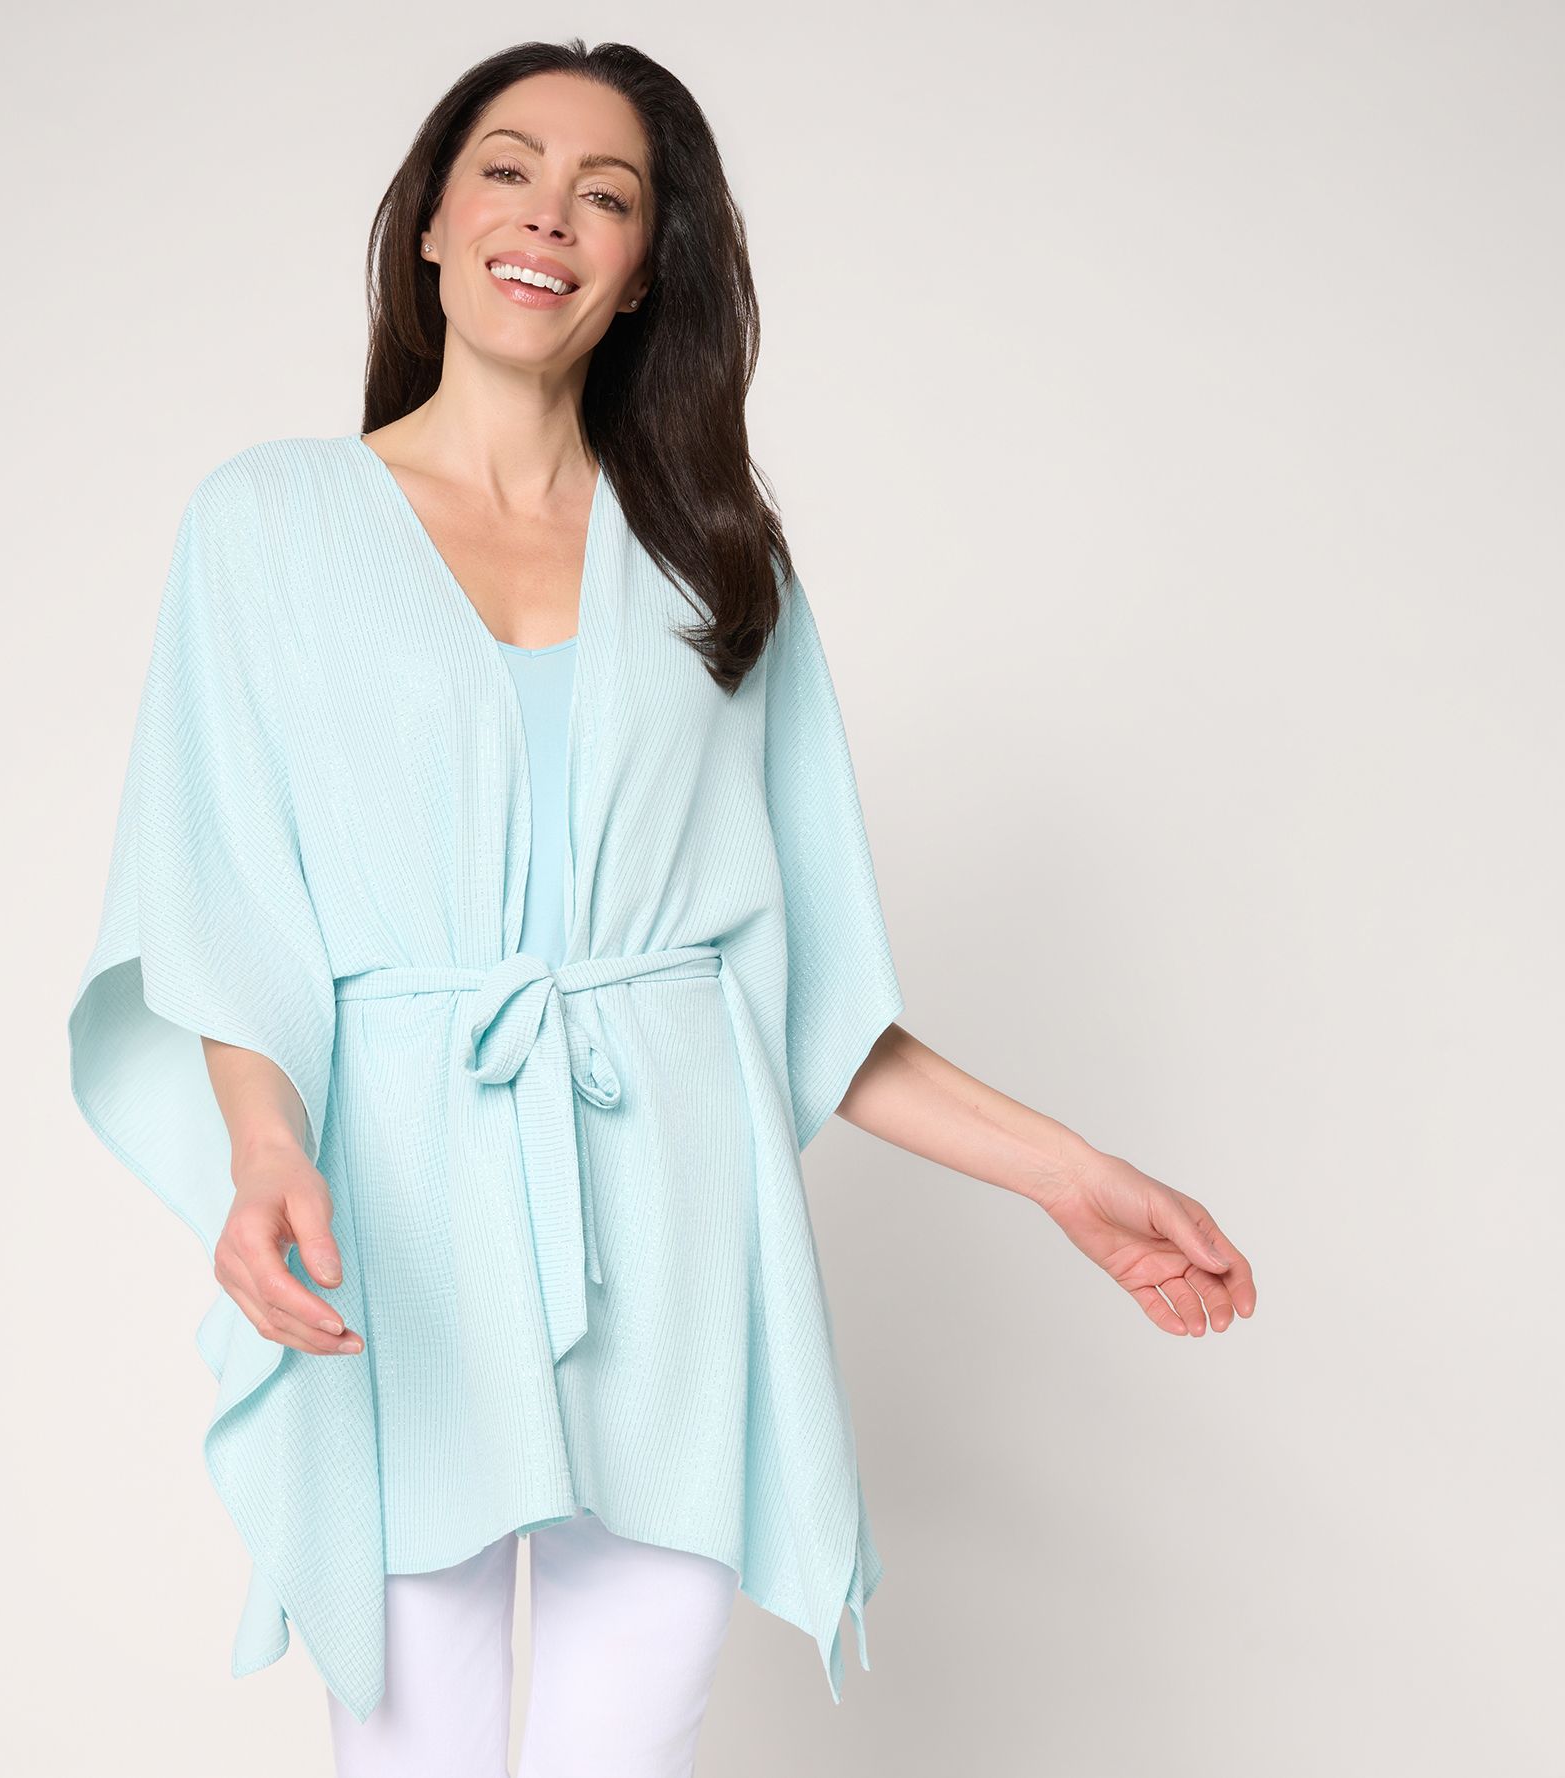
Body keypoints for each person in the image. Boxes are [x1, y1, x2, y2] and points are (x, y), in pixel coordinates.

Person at [67, 37, 1258, 1778]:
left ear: (640, 274)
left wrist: (1070, 1171)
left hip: (680, 1208)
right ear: (429, 221)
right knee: (411, 1750)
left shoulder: (716, 551)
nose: (547, 214)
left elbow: (805, 985)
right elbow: (226, 901)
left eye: (605, 195)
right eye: (507, 168)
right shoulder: (269, 522)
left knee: (628, 1751)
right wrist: (265, 1154)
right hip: (396, 1201)